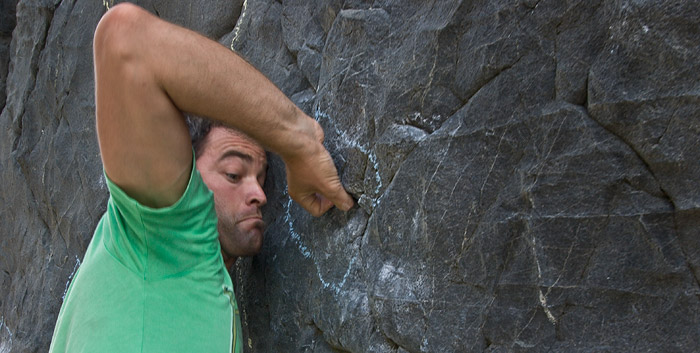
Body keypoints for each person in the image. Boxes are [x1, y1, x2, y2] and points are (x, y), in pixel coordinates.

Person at [48, 3, 353, 353]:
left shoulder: (205, 288)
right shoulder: (153, 235)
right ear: (186, 169)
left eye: (262, 177)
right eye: (234, 173)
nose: (258, 193)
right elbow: (126, 42)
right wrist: (297, 141)